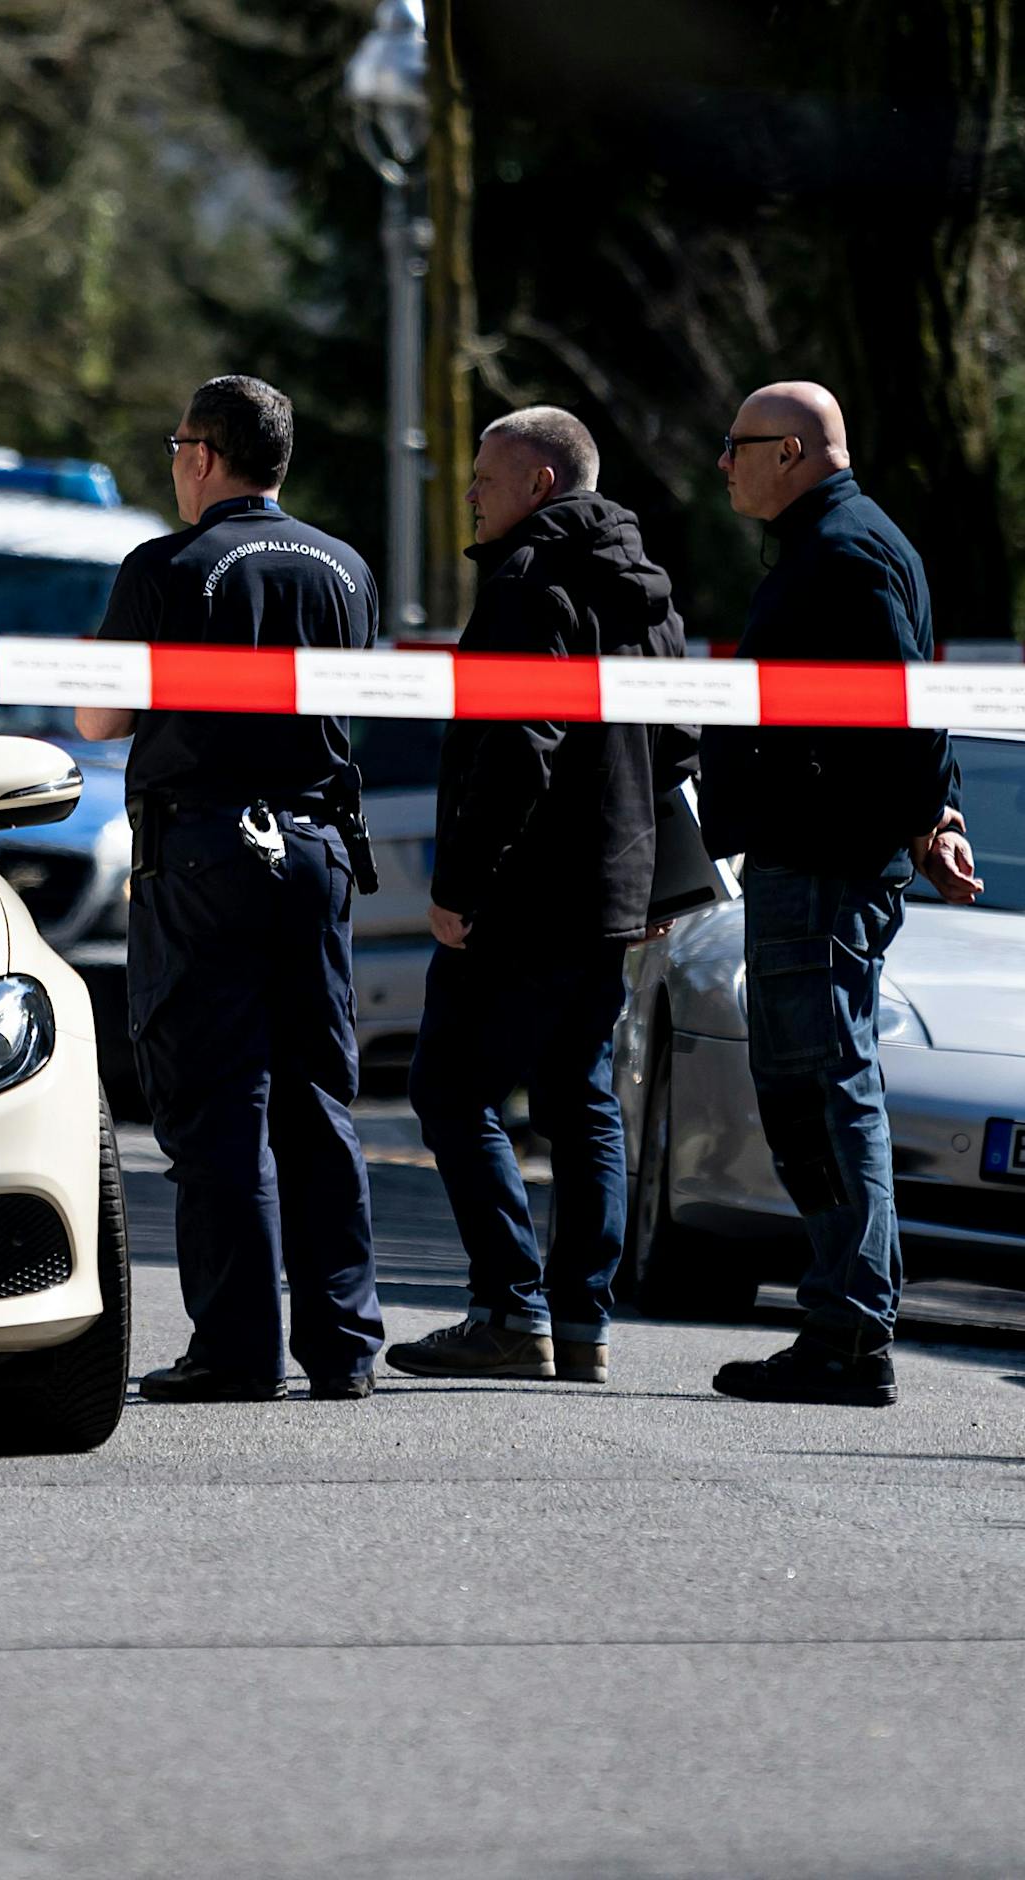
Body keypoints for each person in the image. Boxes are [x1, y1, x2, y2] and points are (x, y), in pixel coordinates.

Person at [74, 374, 385, 1402]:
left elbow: (100, 721)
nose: (172, 464)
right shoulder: (345, 568)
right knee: (315, 1102)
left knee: (219, 1105)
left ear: (204, 455)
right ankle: (343, 1347)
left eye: (174, 446)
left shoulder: (166, 566)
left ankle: (236, 1350)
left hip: (204, 849)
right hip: (314, 851)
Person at [383, 407, 690, 1387]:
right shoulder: (645, 589)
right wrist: (650, 875)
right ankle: (581, 1325)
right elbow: (683, 740)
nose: (468, 492)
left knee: (447, 1086)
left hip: (523, 890)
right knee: (580, 1099)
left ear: (539, 485)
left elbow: (520, 739)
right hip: (609, 891)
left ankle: (512, 1311)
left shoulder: (528, 580)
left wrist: (458, 883)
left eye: (483, 476)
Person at [698, 380, 980, 1408]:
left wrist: (928, 817)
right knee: (809, 1091)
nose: (720, 463)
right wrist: (933, 819)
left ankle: (848, 1330)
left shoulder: (845, 550)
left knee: (823, 1092)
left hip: (820, 865)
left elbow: (904, 707)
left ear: (793, 451)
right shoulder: (838, 540)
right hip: (810, 856)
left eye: (735, 445)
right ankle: (840, 1321)